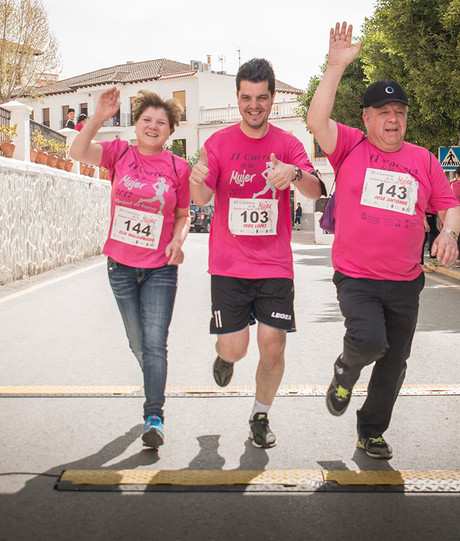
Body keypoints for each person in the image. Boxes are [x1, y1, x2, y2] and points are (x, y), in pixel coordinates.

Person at [306, 22, 460, 461]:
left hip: (405, 281)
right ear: (368, 118)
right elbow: (316, 119)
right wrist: (336, 67)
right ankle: (345, 370)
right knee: (371, 341)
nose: (394, 120)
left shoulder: (423, 160)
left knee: (394, 365)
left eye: (400, 112)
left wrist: (449, 232)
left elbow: (450, 206)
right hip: (356, 276)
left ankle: (370, 431)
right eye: (384, 112)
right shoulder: (350, 146)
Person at [189, 57, 325, 449]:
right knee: (236, 346)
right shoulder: (218, 143)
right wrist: (198, 180)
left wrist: (294, 175)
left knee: (273, 345)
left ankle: (259, 416)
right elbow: (201, 198)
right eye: (247, 98)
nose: (254, 105)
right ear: (237, 98)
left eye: (261, 98)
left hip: (274, 265)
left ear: (272, 98)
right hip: (229, 265)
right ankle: (225, 357)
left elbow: (316, 191)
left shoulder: (287, 144)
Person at [68, 87, 190, 448]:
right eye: (147, 121)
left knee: (155, 344)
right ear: (136, 125)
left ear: (170, 132)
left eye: (161, 123)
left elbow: (183, 215)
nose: (153, 127)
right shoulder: (118, 152)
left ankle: (154, 415)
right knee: (139, 343)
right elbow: (76, 151)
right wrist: (99, 117)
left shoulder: (177, 167)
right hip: (120, 265)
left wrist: (178, 241)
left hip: (160, 267)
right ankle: (153, 376)